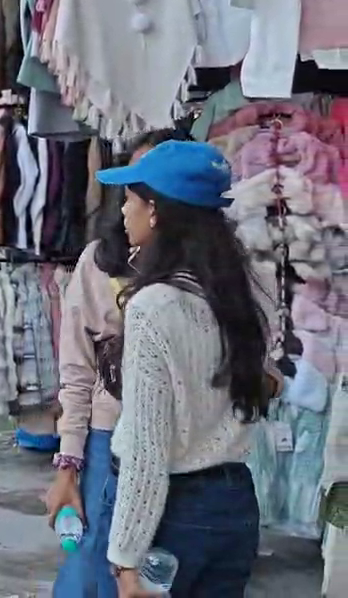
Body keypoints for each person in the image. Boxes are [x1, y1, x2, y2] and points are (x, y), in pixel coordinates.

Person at [94, 141, 272, 597]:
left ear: (155, 211)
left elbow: (148, 450)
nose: (123, 213)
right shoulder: (245, 292)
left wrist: (126, 560)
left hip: (171, 514)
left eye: (130, 200)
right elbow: (269, 385)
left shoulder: (154, 307)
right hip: (233, 506)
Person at [46, 129, 176, 597]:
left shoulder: (211, 272)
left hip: (184, 447)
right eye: (130, 187)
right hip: (110, 433)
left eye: (145, 187)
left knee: (160, 568)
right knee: (96, 559)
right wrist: (68, 463)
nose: (130, 201)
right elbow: (77, 370)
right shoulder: (99, 263)